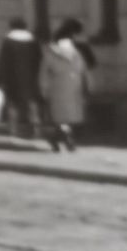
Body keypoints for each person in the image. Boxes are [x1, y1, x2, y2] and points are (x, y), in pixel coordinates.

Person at [41, 18, 94, 153]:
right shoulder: (78, 49)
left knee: (59, 116)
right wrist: (89, 85)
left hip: (57, 85)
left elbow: (44, 70)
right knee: (69, 115)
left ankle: (58, 137)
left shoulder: (52, 48)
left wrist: (43, 88)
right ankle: (65, 136)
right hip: (75, 84)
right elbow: (87, 66)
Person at [0, 16, 45, 141]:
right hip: (30, 77)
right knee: (33, 103)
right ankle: (37, 129)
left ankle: (14, 129)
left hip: (12, 77)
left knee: (13, 104)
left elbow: (2, 62)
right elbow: (39, 58)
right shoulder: (33, 40)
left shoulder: (8, 41)